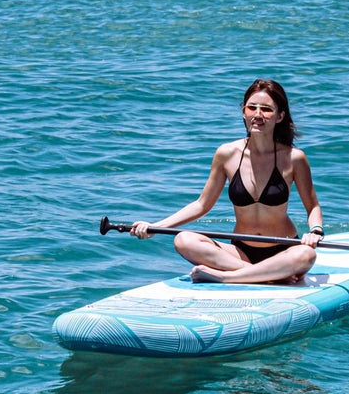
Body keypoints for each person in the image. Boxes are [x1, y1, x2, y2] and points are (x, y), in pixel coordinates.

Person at [131, 78, 324, 284]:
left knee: (306, 255)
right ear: (244, 112)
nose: (258, 114)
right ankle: (267, 276)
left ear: (280, 116)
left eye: (266, 109)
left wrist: (315, 231)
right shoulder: (226, 154)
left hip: (283, 249)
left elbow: (312, 207)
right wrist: (155, 227)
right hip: (239, 253)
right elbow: (201, 204)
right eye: (252, 108)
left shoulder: (294, 158)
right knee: (183, 240)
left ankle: (226, 277)